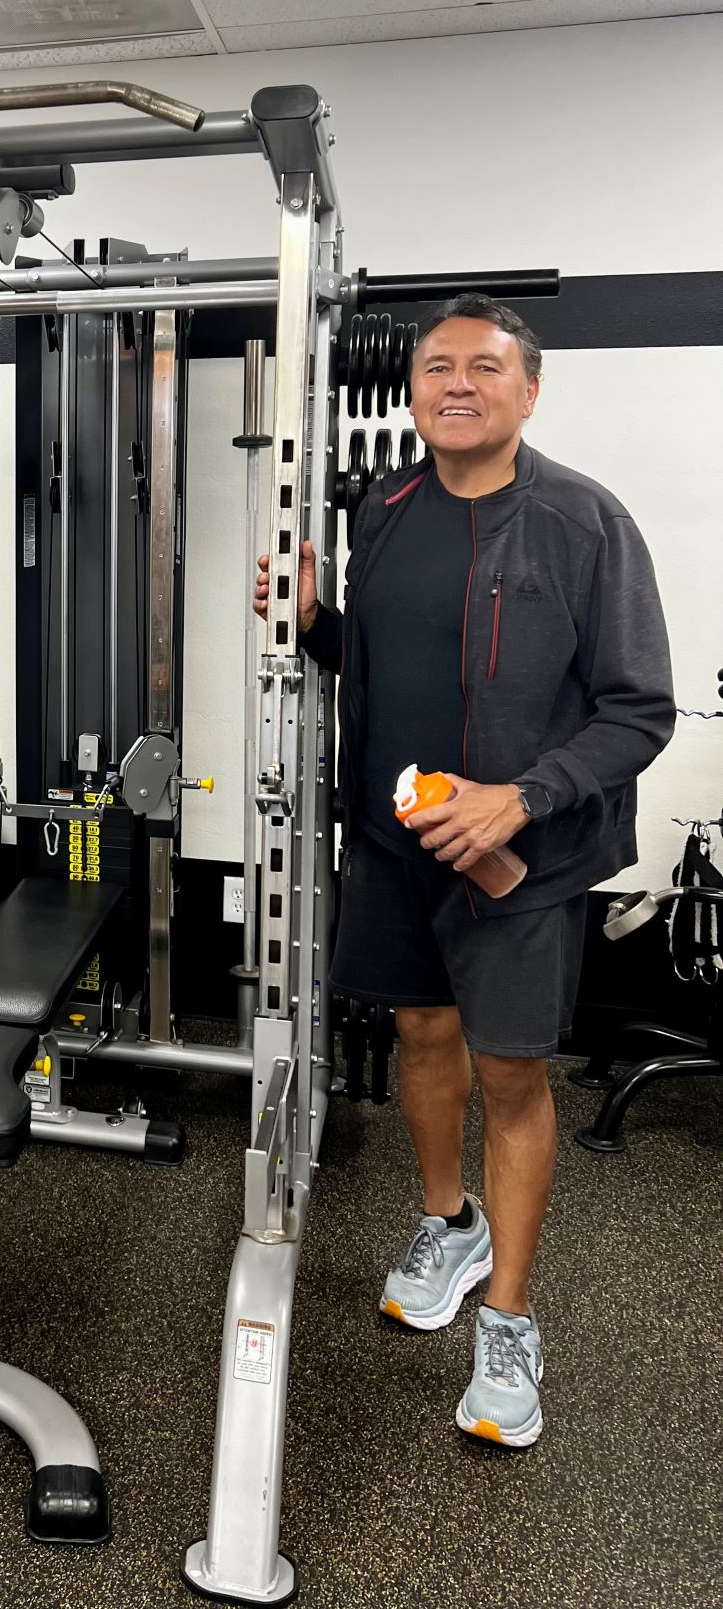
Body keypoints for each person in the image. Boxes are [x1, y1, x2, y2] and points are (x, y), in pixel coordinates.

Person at [255, 292, 673, 1447]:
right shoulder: (386, 510)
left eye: (484, 367)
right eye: (437, 367)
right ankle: (450, 1221)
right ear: (413, 393)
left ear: (527, 390)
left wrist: (520, 798)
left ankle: (508, 1320)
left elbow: (640, 711)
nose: (455, 383)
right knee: (422, 1036)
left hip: (521, 863)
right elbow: (375, 656)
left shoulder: (588, 522)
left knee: (513, 1074)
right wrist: (314, 620)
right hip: (394, 843)